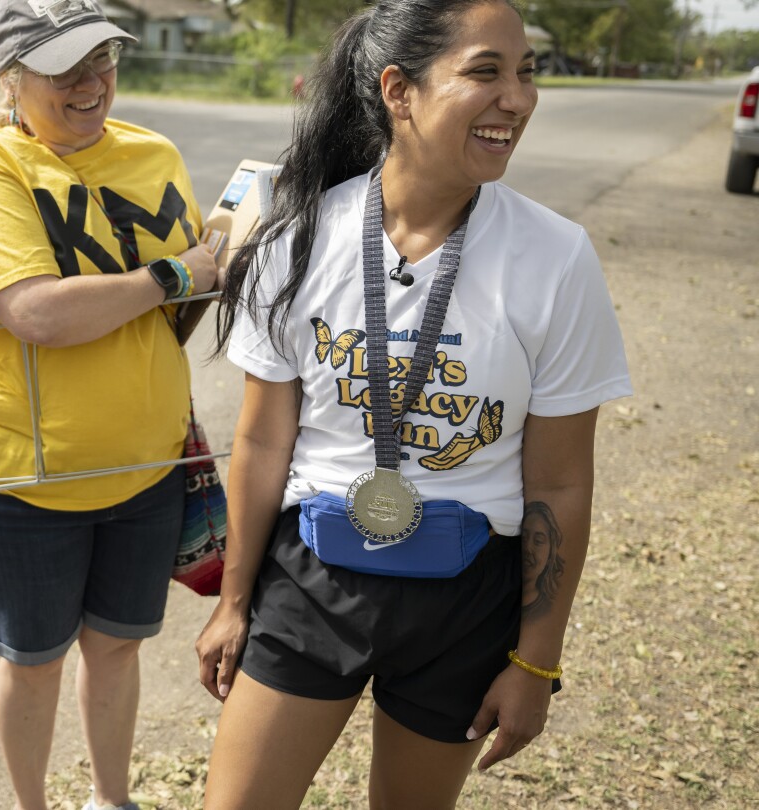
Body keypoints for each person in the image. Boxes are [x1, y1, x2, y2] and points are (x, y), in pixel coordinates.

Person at [195, 1, 632, 807]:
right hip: (311, 577)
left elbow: (561, 484)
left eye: (527, 73)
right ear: (400, 90)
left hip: (468, 598)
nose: (518, 98)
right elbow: (260, 445)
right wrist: (232, 603)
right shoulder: (297, 236)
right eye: (486, 72)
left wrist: (535, 661)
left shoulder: (555, 257)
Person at [0, 1, 219, 807]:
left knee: (118, 650)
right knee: (33, 659)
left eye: (103, 58)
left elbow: (172, 312)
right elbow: (37, 313)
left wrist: (234, 252)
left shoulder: (155, 154)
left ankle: (110, 799)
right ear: (12, 79)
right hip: (22, 480)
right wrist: (180, 274)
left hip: (147, 467)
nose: (92, 83)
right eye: (63, 68)